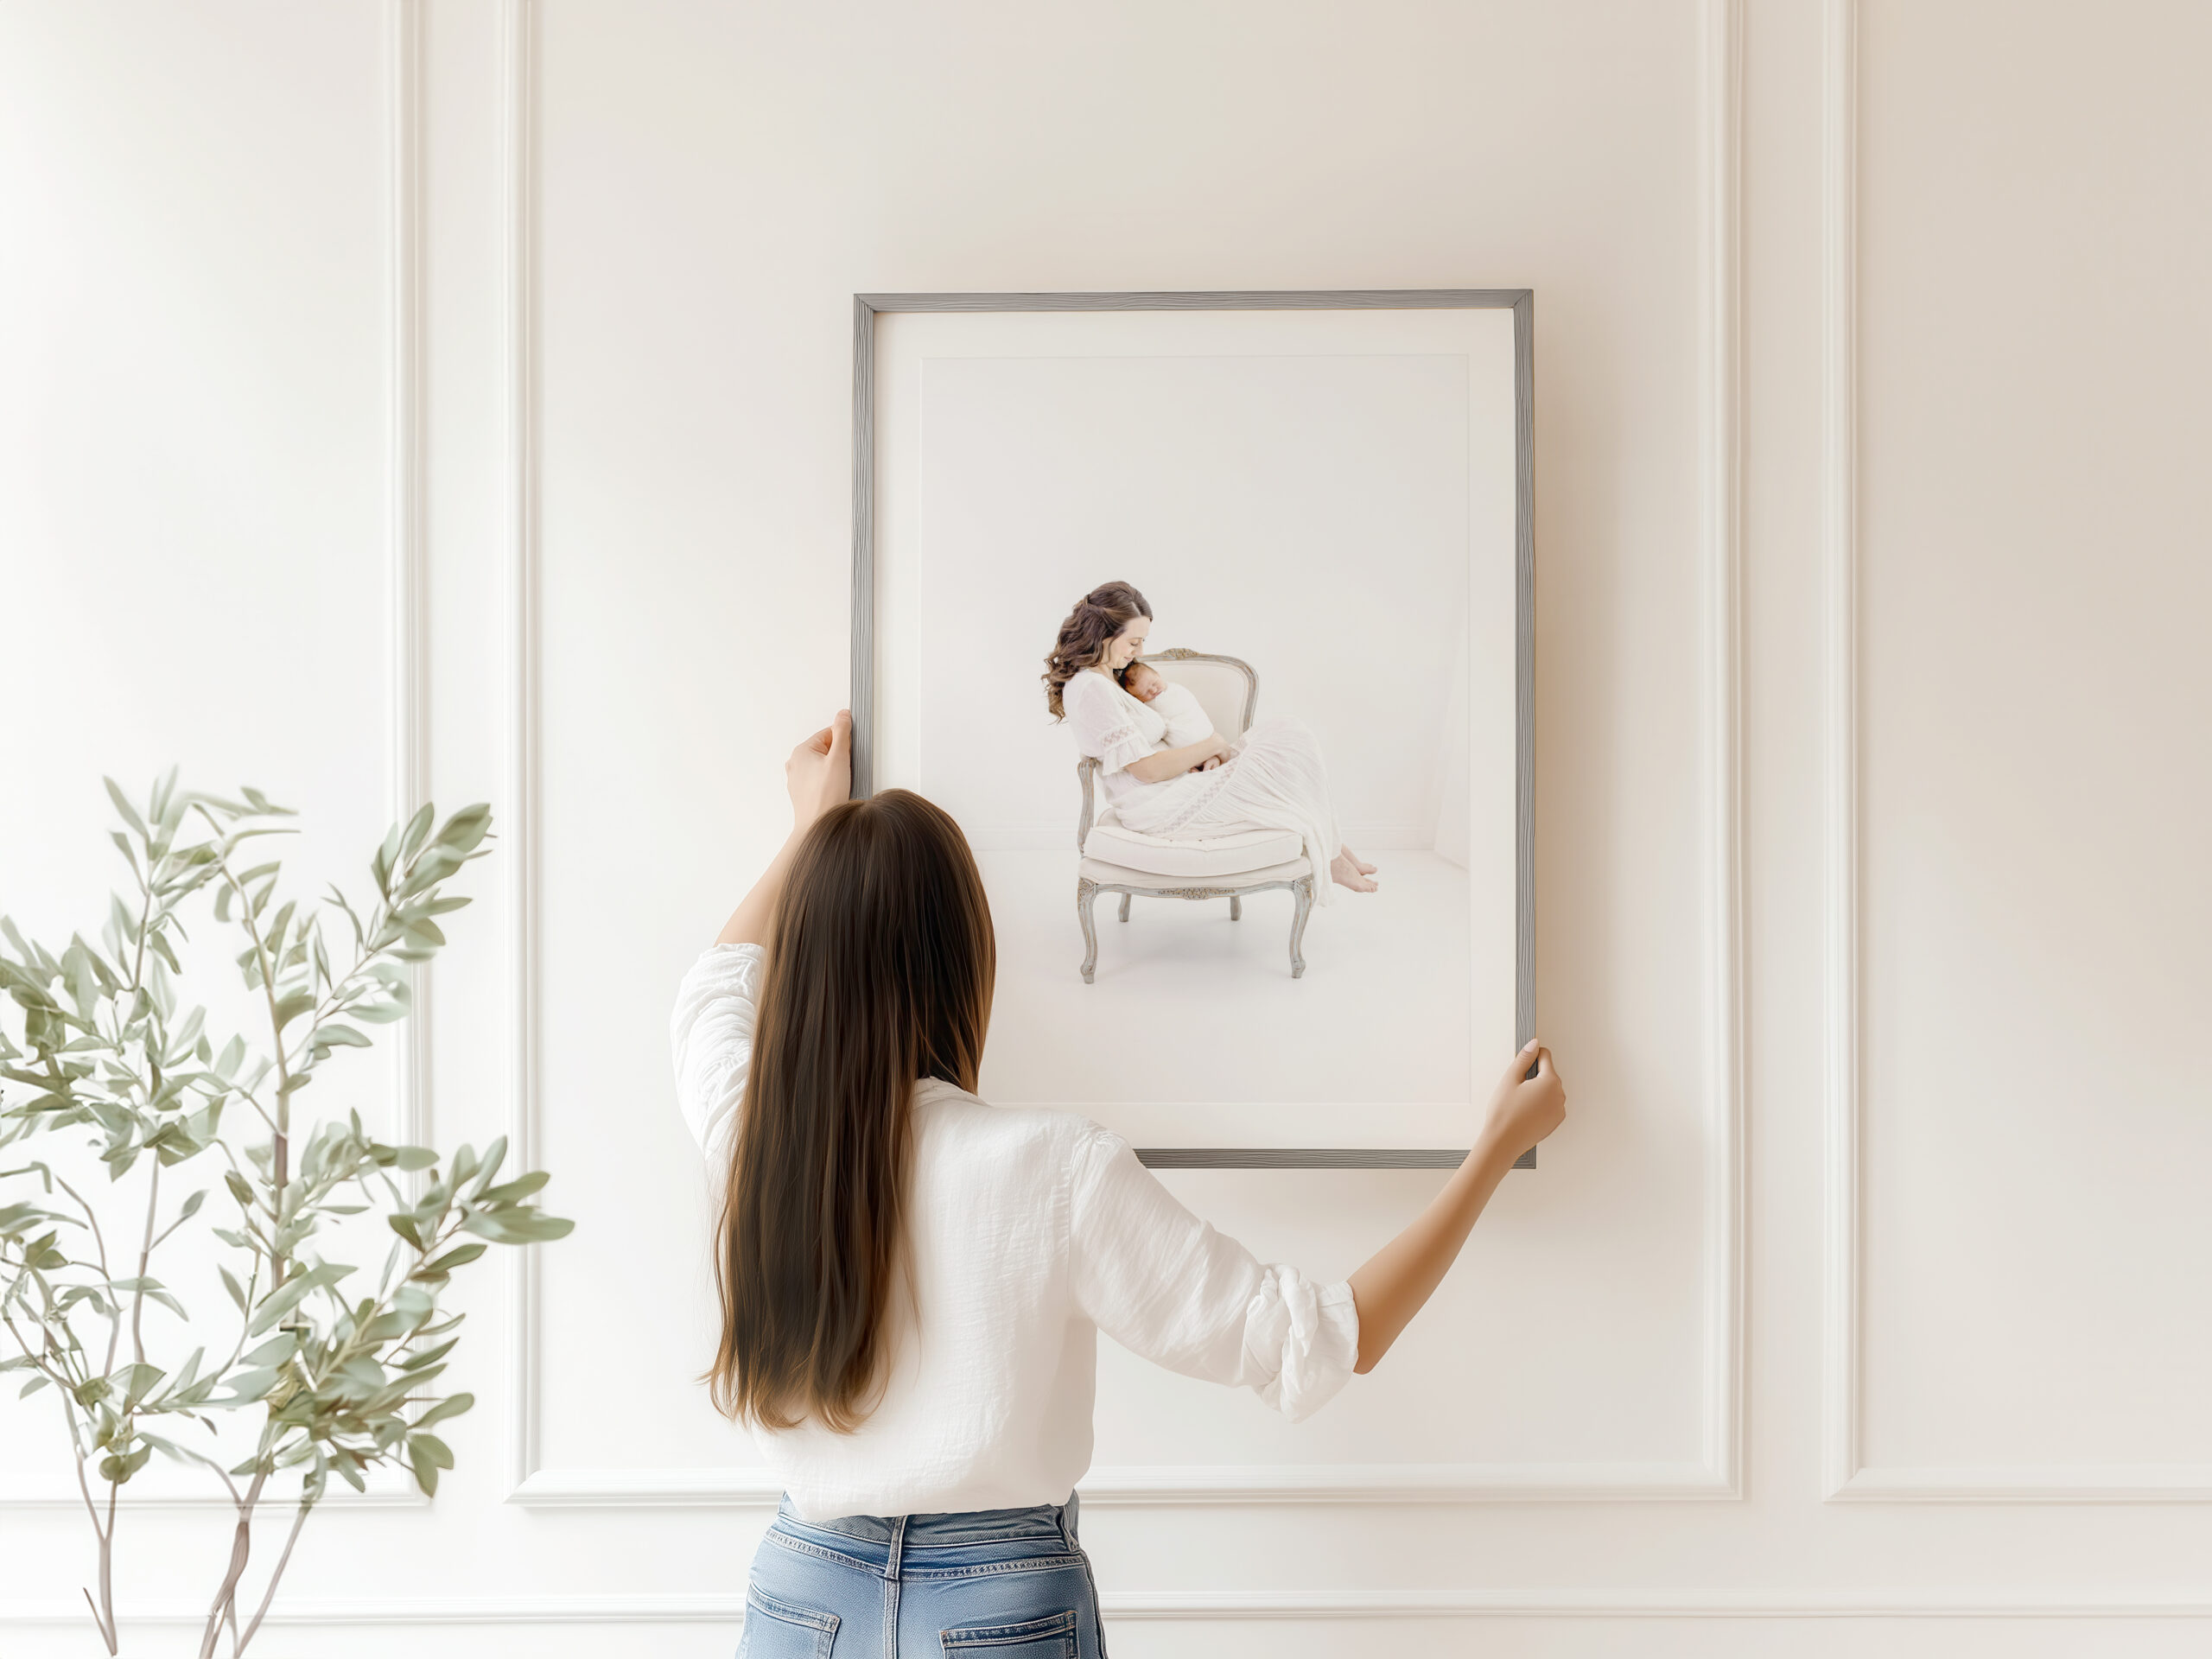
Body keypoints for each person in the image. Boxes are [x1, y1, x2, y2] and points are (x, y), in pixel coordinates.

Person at [670, 709, 1567, 1657]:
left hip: (804, 1599)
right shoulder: (1053, 1168)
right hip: (997, 1609)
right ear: (966, 958)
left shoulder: (751, 1137)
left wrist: (813, 832)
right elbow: (1318, 1340)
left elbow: (715, 987)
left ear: (804, 965)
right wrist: (1490, 1158)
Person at [1044, 581, 1378, 898]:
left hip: (1182, 783)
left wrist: (1208, 756)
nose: (1140, 651)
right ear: (1103, 635)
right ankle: (1334, 857)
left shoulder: (1111, 678)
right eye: (1133, 643)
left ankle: (1335, 849)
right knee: (1288, 743)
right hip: (1159, 805)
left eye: (1142, 641)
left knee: (1287, 734)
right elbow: (1144, 770)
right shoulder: (1091, 688)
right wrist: (1213, 745)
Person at [1117, 658, 1220, 766]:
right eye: (1145, 692)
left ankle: (1205, 760)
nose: (1153, 690)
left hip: (1202, 733)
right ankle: (1204, 761)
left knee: (1193, 735)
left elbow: (1191, 706)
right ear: (1138, 699)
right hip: (1193, 746)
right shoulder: (1148, 706)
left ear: (1158, 674)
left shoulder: (1176, 690)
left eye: (1154, 683)